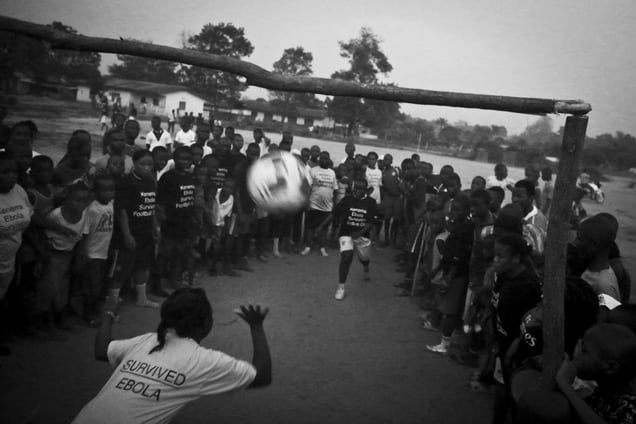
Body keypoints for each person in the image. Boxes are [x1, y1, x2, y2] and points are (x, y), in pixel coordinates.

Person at [72, 290, 271, 424]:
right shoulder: (202, 361)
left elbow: (101, 350)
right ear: (206, 323)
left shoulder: (147, 341)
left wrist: (108, 314)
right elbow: (261, 376)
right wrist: (256, 326)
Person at [106, 149, 159, 309]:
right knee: (120, 269)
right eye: (143, 164)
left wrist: (155, 227)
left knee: (142, 265)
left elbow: (152, 206)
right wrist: (127, 234)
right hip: (127, 232)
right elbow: (122, 210)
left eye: (150, 164)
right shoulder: (126, 182)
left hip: (145, 231)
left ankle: (141, 298)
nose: (147, 168)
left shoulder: (151, 181)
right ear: (134, 164)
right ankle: (112, 304)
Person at [555, 323, 636, 424]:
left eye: (584, 351)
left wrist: (564, 384)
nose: (577, 353)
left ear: (611, 367)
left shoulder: (630, 406)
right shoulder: (602, 393)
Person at [38, 182, 91, 332]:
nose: (81, 204)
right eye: (77, 200)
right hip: (53, 255)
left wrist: (80, 256)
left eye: (84, 201)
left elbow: (83, 235)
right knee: (50, 290)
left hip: (68, 255)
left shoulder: (84, 214)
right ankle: (47, 324)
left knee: (62, 290)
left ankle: (59, 320)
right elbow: (42, 233)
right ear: (67, 199)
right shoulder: (56, 215)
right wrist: (43, 258)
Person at [0, 152, 32, 354]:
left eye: (14, 172)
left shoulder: (19, 191)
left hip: (9, 261)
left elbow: (28, 217)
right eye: (5, 172)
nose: (12, 176)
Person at [330, 179, 378, 300]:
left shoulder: (371, 202)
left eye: (361, 188)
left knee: (364, 258)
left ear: (366, 190)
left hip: (362, 235)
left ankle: (366, 267)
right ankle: (341, 287)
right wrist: (323, 226)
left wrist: (360, 233)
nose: (358, 191)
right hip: (346, 233)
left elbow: (371, 222)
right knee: (346, 257)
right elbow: (335, 213)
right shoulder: (347, 200)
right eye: (356, 188)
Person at [156, 147, 197, 288]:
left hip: (185, 222)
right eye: (182, 158)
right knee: (165, 254)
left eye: (188, 159)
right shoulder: (167, 177)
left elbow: (190, 198)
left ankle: (174, 280)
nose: (186, 162)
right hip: (170, 222)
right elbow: (160, 201)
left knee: (179, 254)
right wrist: (163, 219)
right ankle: (156, 283)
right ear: (175, 159)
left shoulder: (189, 176)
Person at [80, 174, 115, 326]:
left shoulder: (111, 204)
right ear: (95, 192)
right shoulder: (92, 209)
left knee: (101, 285)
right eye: (104, 190)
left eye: (111, 190)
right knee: (92, 286)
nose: (109, 193)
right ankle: (89, 314)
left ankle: (97, 311)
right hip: (92, 254)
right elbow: (84, 232)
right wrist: (83, 254)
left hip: (104, 252)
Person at [302, 151, 338, 257]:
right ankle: (308, 246)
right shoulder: (313, 171)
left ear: (329, 160)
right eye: (321, 158)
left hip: (327, 206)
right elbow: (307, 188)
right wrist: (307, 202)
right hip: (313, 204)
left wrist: (334, 205)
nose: (323, 160)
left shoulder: (332, 173)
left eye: (326, 158)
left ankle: (322, 247)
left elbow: (334, 189)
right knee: (310, 227)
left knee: (324, 229)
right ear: (319, 159)